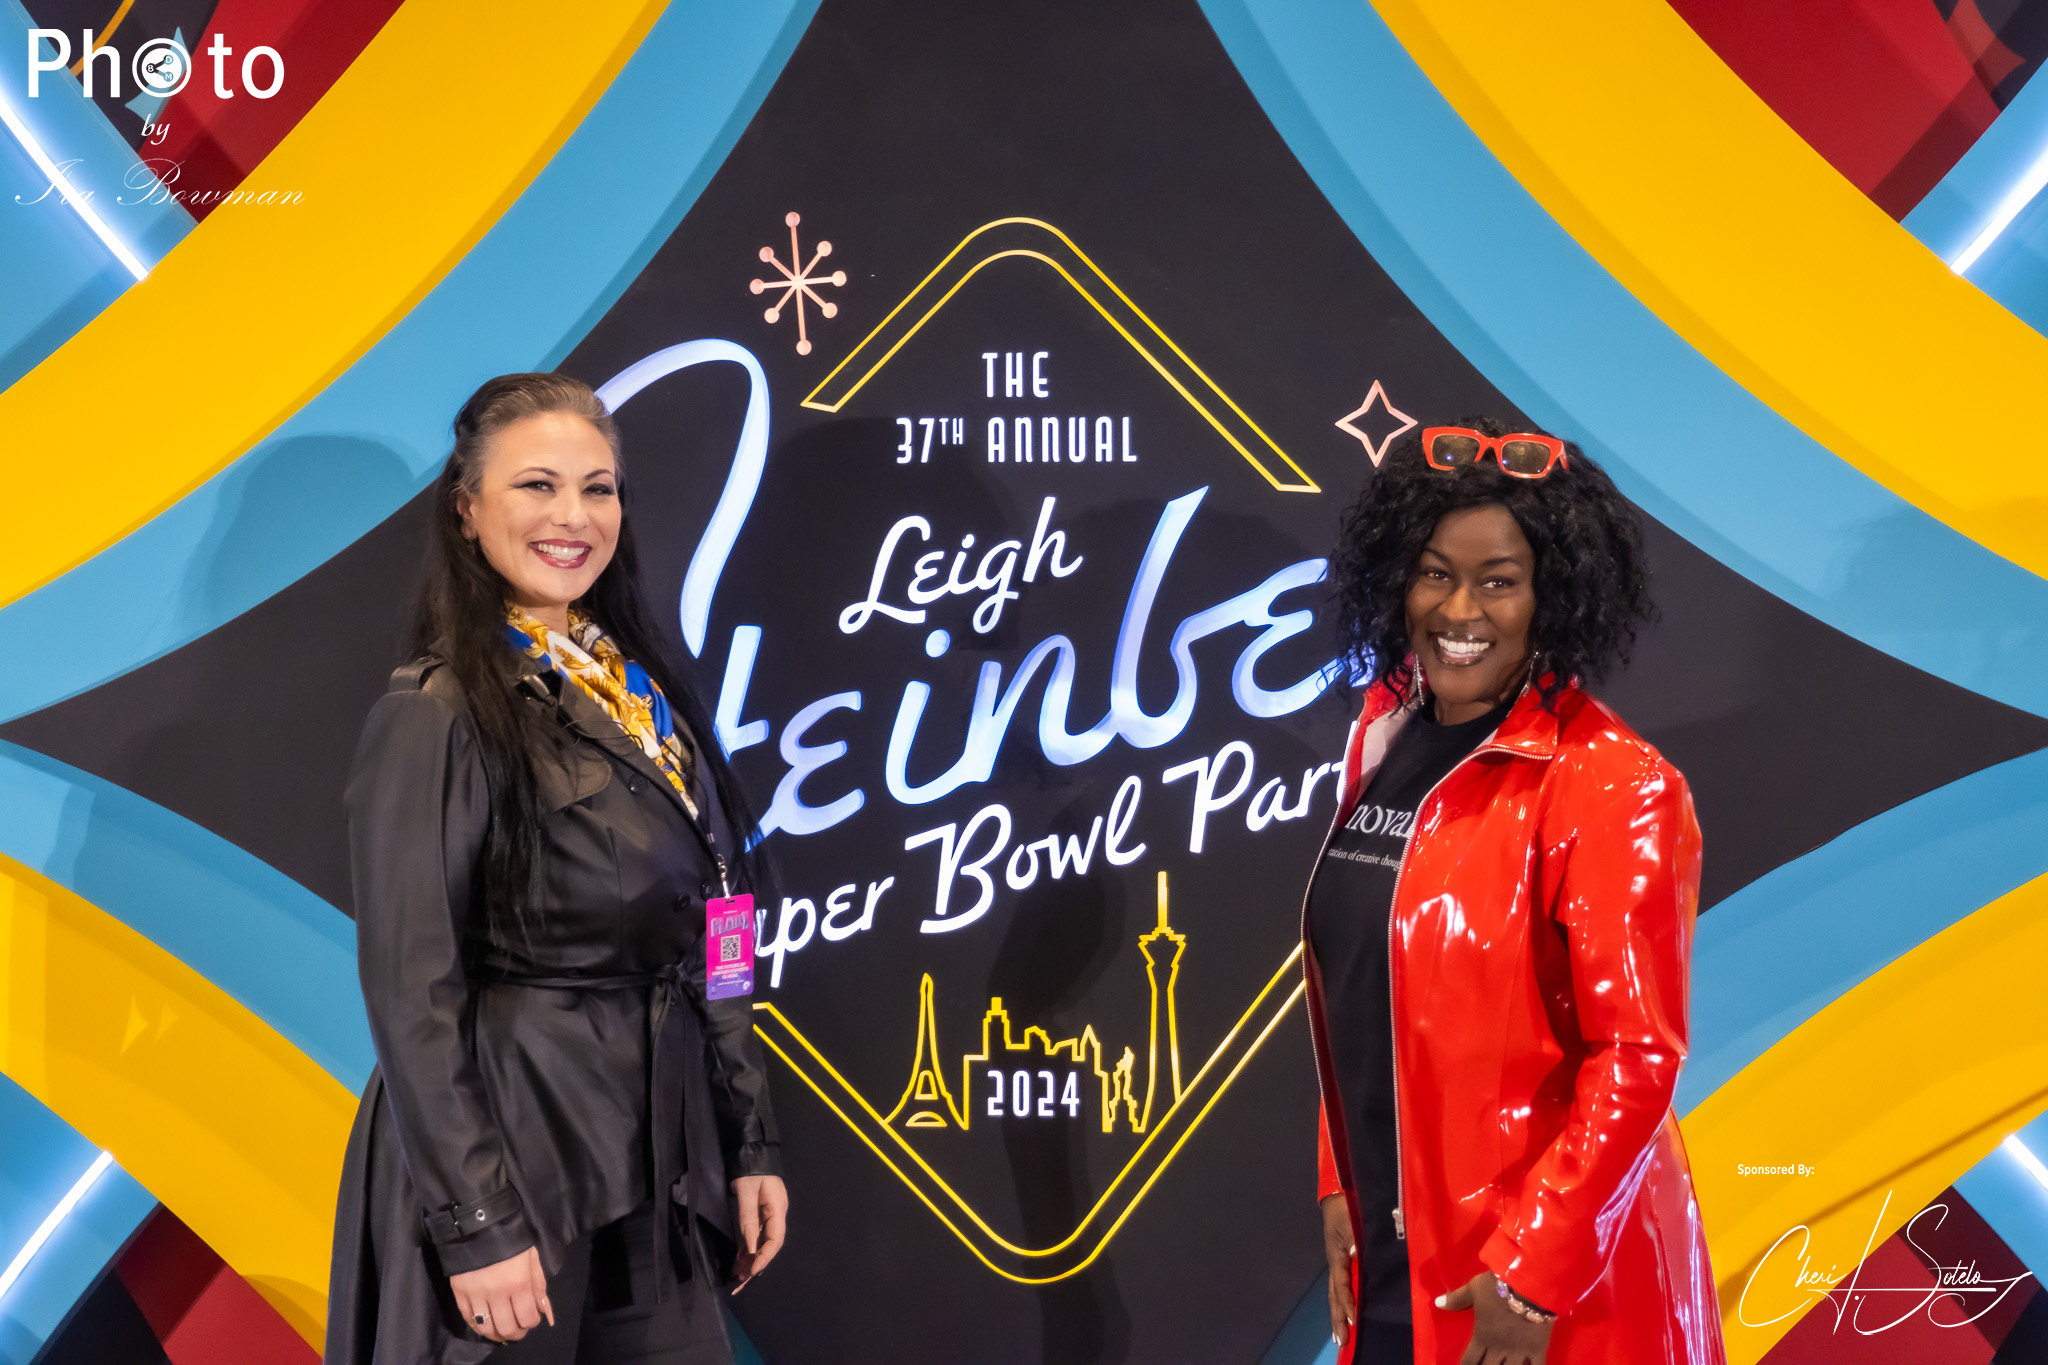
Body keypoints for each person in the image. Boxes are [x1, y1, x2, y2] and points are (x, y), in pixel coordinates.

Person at [324, 373, 787, 1364]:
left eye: (597, 487)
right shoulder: (435, 712)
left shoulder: (643, 696)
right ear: (466, 510)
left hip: (659, 1163)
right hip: (514, 1164)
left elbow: (723, 925)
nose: (573, 516)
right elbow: (412, 990)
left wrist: (747, 1137)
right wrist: (476, 1224)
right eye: (536, 485)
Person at [1303, 419, 1723, 1365]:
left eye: (1499, 580)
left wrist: (1533, 1272)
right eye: (1434, 572)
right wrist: (1341, 1177)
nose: (1460, 609)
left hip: (1534, 1289)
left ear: (1552, 595)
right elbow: (1364, 987)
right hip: (1392, 1256)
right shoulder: (1385, 735)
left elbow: (1635, 1057)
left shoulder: (1613, 783)